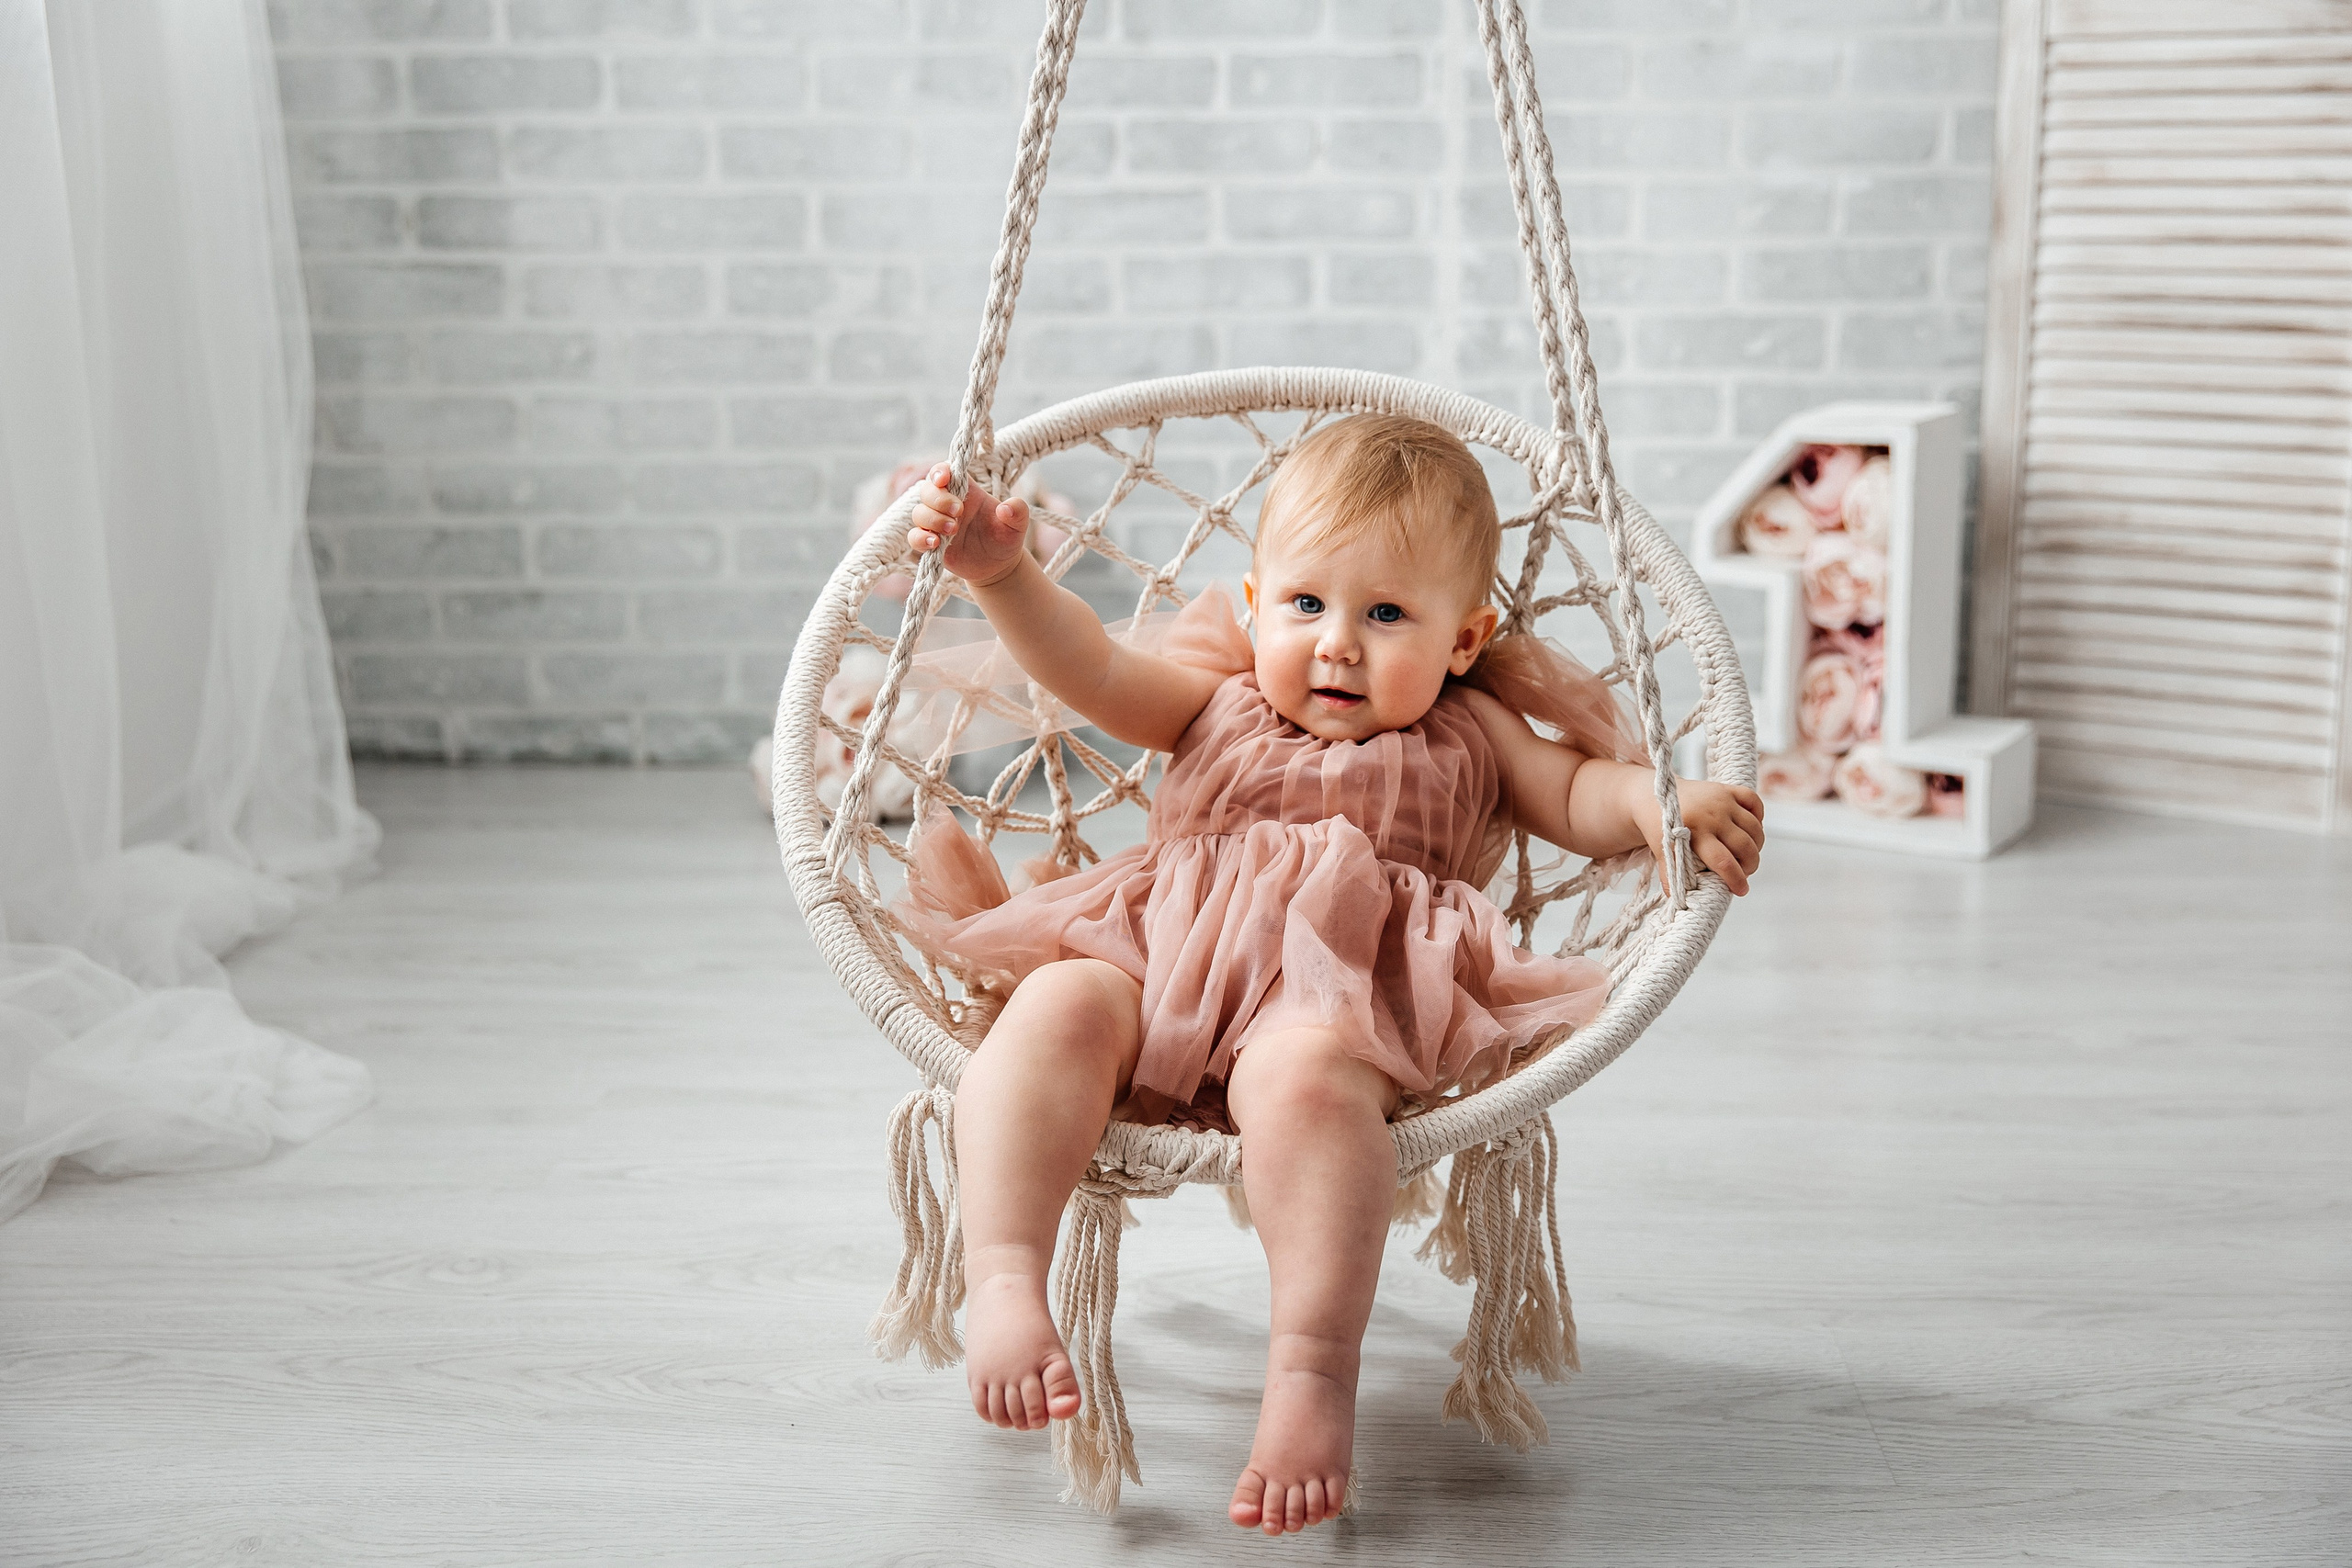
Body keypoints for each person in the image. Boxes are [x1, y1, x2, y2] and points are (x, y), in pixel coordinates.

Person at [896, 414, 1763, 1534]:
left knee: (1306, 1084)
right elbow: (1088, 664)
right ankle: (1006, 1270)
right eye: (1306, 606)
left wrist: (1657, 806)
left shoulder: (1475, 727)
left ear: (1463, 638)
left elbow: (1578, 795)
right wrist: (1004, 574)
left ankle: (1310, 1370)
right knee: (1057, 1003)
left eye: (1387, 614)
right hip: (1155, 954)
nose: (1339, 644)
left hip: (1334, 999)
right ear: (1256, 607)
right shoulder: (1211, 700)